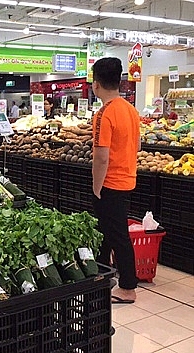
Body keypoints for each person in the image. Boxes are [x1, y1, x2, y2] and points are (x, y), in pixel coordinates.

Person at [91, 57, 141, 304]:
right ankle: (103, 273)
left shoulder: (104, 114)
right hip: (128, 178)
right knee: (108, 231)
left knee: (118, 234)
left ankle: (128, 287)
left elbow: (101, 157)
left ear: (95, 83)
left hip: (111, 182)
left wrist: (96, 187)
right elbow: (138, 145)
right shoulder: (130, 110)